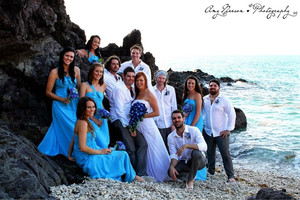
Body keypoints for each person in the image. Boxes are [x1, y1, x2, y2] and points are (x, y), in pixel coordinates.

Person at [68, 97, 144, 182]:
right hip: (87, 157)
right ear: (83, 108)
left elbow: (74, 138)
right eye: (89, 107)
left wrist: (69, 154)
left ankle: (131, 176)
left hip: (93, 151)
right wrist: (100, 152)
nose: (92, 109)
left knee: (123, 154)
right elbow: (82, 147)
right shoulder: (83, 123)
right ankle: (132, 177)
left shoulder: (85, 121)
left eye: (93, 107)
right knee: (121, 155)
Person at [38, 47, 81, 157]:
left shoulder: (76, 70)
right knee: (72, 128)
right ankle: (72, 152)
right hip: (60, 104)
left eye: (71, 56)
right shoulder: (55, 72)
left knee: (78, 127)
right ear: (62, 56)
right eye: (67, 56)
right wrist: (62, 99)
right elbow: (48, 92)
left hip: (74, 104)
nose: (69, 58)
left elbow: (79, 87)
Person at [110, 67, 149, 178]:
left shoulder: (131, 88)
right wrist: (130, 128)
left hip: (129, 122)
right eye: (128, 76)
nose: (131, 79)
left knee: (143, 144)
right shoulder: (119, 89)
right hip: (120, 121)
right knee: (130, 149)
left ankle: (140, 173)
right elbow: (119, 111)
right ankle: (132, 176)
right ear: (123, 76)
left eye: (133, 76)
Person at [132, 72, 170, 182]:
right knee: (144, 149)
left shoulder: (149, 94)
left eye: (141, 80)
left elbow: (157, 112)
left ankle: (160, 173)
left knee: (153, 148)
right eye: (137, 80)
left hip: (148, 125)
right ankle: (146, 171)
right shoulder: (136, 93)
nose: (139, 82)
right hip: (138, 126)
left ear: (146, 81)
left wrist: (142, 115)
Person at [203, 79, 236, 183]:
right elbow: (200, 112)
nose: (212, 87)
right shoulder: (204, 99)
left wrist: (228, 129)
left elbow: (232, 114)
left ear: (219, 88)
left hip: (221, 132)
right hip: (208, 131)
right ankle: (211, 172)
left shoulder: (224, 99)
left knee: (225, 154)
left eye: (215, 86)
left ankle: (230, 176)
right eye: (211, 85)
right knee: (210, 153)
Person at [168, 110, 207, 190]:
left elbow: (204, 146)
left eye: (179, 117)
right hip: (184, 162)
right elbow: (174, 155)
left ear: (184, 119)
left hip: (198, 160)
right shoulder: (171, 137)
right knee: (170, 172)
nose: (177, 120)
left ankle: (190, 180)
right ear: (172, 121)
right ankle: (187, 176)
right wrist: (172, 166)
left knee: (196, 153)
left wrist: (186, 146)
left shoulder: (194, 130)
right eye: (174, 118)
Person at [80, 62, 109, 148]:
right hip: (89, 117)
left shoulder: (103, 85)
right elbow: (81, 105)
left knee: (104, 143)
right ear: (92, 72)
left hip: (101, 117)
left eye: (101, 72)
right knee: (99, 142)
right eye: (97, 71)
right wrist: (92, 119)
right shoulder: (84, 85)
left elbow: (100, 102)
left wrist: (105, 116)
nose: (99, 74)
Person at [153, 70, 177, 149]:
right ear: (156, 78)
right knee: (161, 148)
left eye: (163, 78)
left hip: (170, 124)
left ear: (166, 79)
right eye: (159, 78)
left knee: (171, 147)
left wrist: (174, 123)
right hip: (158, 125)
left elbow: (174, 106)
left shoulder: (171, 89)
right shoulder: (152, 91)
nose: (161, 80)